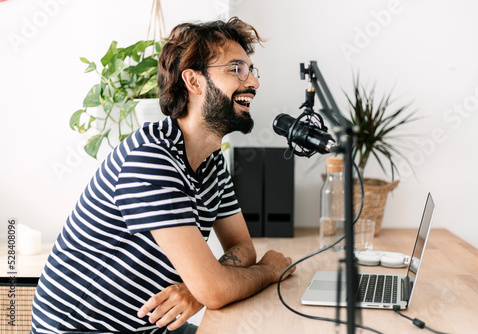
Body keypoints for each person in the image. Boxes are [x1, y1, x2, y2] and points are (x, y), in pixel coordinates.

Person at [30, 17, 295, 334]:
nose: (253, 82)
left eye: (251, 71)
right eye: (237, 69)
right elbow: (220, 285)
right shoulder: (151, 158)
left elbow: (242, 247)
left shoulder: (211, 161)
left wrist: (197, 290)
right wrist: (267, 270)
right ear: (194, 82)